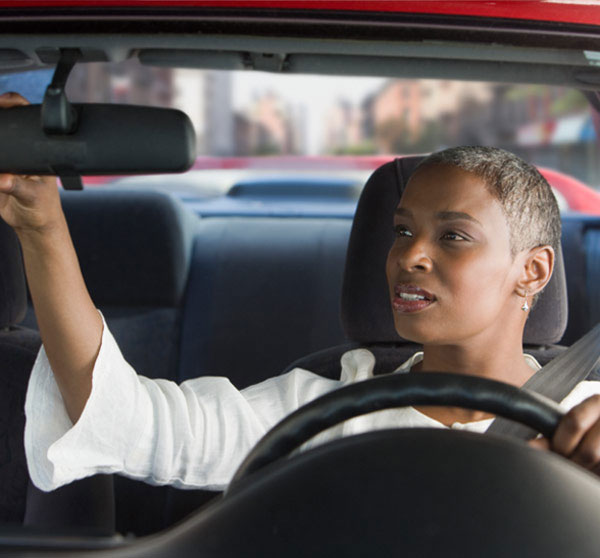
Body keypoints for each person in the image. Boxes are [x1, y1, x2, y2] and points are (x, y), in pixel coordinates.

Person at [2, 92, 600, 493]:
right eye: (402, 231)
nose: (410, 255)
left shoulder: (590, 417)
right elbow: (129, 420)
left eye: (454, 236)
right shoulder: (320, 411)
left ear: (534, 271)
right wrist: (42, 227)